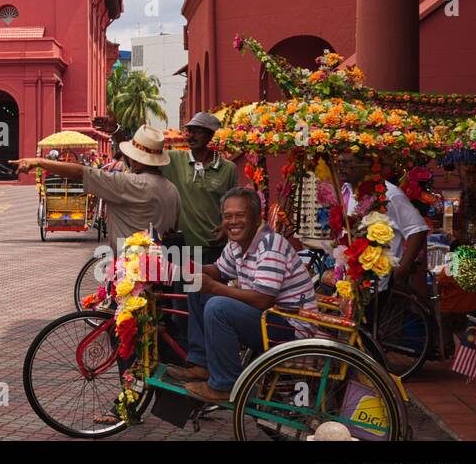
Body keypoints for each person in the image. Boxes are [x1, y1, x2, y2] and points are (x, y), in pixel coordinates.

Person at [172, 187, 317, 403]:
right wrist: (183, 268)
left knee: (217, 306)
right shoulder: (237, 244)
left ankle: (225, 385)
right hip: (268, 318)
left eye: (240, 215)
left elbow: (262, 299)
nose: (233, 222)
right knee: (197, 288)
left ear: (257, 217)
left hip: (291, 328)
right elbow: (219, 270)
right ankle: (202, 364)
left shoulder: (270, 245)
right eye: (227, 216)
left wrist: (213, 287)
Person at [18, 124, 179, 253]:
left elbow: (80, 172)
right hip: (164, 267)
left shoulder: (128, 184)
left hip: (132, 268)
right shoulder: (172, 190)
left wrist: (39, 162)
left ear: (135, 158)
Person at [333, 154, 430, 299]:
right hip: (350, 278)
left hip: (378, 282)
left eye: (347, 162)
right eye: (338, 163)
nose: (341, 168)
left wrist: (401, 269)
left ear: (366, 163)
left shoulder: (389, 193)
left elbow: (418, 229)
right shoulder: (347, 191)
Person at [160, 112, 238, 266]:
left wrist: (225, 224)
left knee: (210, 288)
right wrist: (117, 133)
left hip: (213, 246)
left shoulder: (228, 168)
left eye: (198, 131)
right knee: (182, 289)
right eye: (189, 131)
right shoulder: (174, 160)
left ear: (210, 135)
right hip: (181, 246)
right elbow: (142, 157)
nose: (191, 136)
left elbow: (234, 204)